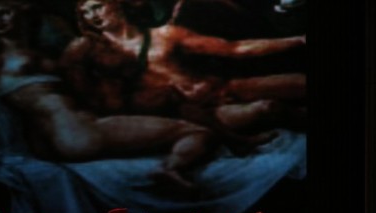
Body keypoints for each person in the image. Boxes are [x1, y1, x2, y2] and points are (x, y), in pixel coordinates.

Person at [0, 0, 219, 183]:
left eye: (4, 13)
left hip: (83, 127)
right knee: (195, 133)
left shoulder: (42, 52)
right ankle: (170, 168)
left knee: (195, 127)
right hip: (75, 133)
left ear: (22, 13)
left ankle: (171, 168)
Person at [61, 0, 306, 155]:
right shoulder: (90, 51)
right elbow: (101, 101)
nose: (92, 16)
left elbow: (235, 48)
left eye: (97, 7)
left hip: (223, 88)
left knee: (300, 82)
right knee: (268, 109)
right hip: (196, 112)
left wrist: (298, 40)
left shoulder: (165, 34)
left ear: (117, 4)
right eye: (85, 12)